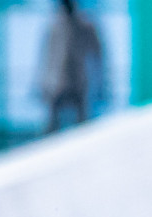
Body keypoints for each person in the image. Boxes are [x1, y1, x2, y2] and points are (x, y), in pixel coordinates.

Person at [36, 0, 104, 134]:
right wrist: (43, 82)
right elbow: (47, 57)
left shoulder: (85, 26)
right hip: (57, 82)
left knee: (82, 125)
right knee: (52, 126)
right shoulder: (54, 27)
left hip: (78, 82)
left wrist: (100, 85)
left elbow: (97, 56)